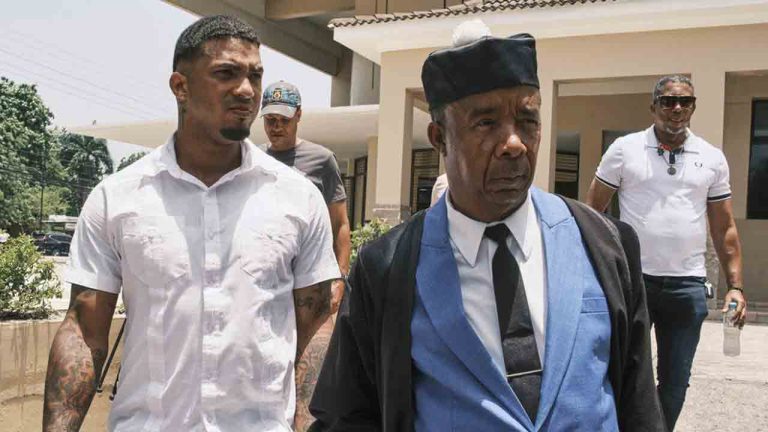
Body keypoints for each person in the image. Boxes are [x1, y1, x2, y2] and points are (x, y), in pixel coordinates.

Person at [310, 27, 665, 431]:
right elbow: (346, 417)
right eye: (486, 122)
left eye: (527, 120)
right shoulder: (386, 269)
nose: (514, 143)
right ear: (440, 138)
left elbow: (640, 406)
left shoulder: (604, 244)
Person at [43, 15, 339, 432]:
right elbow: (83, 330)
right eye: (226, 73)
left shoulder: (297, 197)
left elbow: (316, 326)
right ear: (180, 87)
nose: (247, 90)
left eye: (255, 75)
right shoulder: (119, 198)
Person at [586, 75, 747, 430]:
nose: (676, 108)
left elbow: (724, 228)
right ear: (653, 106)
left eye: (684, 101)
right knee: (624, 373)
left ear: (693, 107)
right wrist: (596, 270)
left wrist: (735, 286)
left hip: (687, 286)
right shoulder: (625, 149)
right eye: (668, 101)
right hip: (634, 283)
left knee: (674, 383)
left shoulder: (712, 158)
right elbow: (593, 213)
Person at [261, 81, 351, 431]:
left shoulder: (321, 160)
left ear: (298, 116)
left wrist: (340, 277)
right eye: (270, 120)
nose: (276, 127)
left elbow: (340, 223)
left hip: (313, 281)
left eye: (283, 119)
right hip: (270, 281)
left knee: (309, 366)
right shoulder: (253, 161)